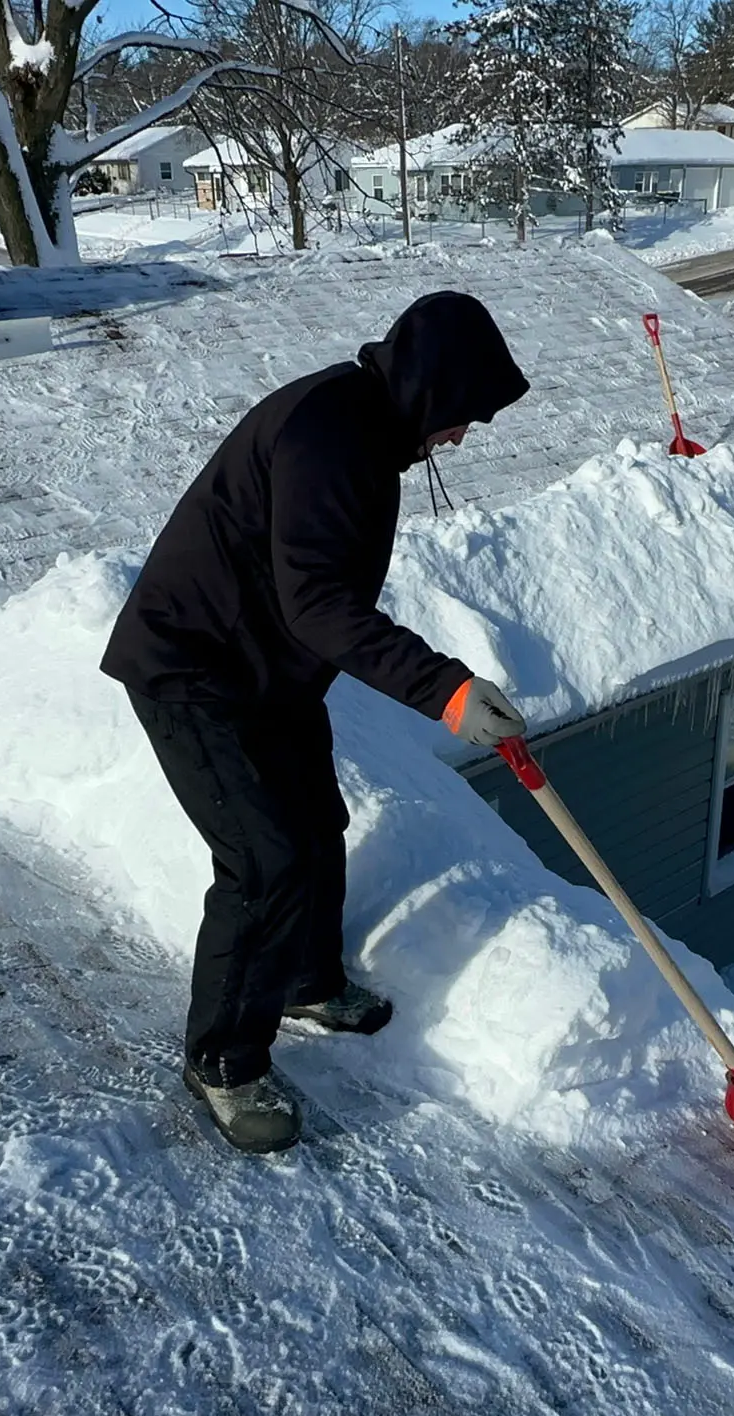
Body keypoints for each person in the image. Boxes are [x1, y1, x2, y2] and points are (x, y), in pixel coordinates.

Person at [101, 292, 533, 1154]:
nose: (462, 436)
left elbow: (307, 600)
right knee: (264, 860)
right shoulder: (330, 434)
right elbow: (319, 606)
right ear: (432, 388)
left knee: (316, 824)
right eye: (463, 417)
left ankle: (303, 980)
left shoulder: (365, 425)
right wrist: (445, 689)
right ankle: (223, 1059)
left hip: (265, 671)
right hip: (194, 669)